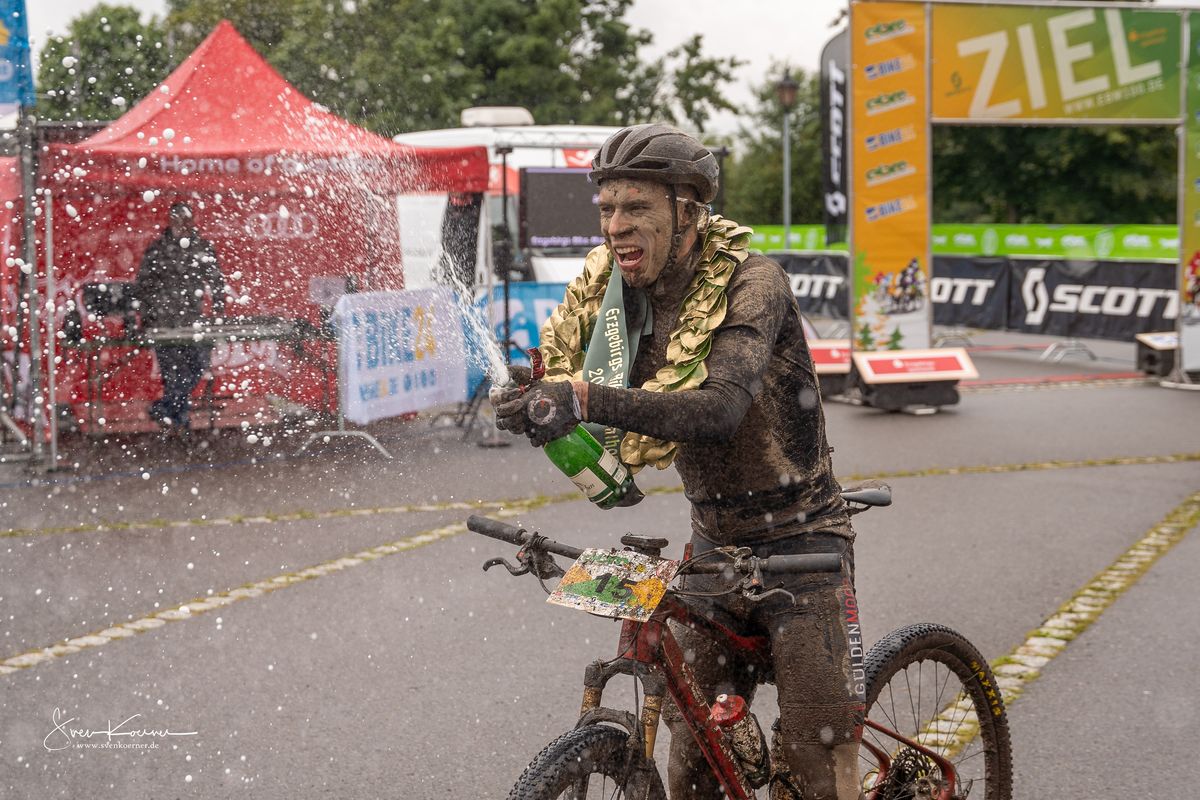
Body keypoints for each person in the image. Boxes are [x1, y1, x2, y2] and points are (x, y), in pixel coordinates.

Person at [492, 124, 862, 799]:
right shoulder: (616, 294)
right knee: (694, 767)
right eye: (607, 208)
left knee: (817, 766)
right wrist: (535, 399)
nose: (616, 226)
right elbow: (586, 387)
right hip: (715, 545)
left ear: (687, 211)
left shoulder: (754, 281)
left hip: (803, 543)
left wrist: (581, 397)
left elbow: (717, 410)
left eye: (637, 207)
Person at [132, 201, 228, 432]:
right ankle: (178, 418)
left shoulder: (200, 247)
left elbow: (216, 280)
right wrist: (146, 316)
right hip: (163, 321)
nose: (182, 224)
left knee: (196, 366)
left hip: (191, 319)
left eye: (185, 220)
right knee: (172, 372)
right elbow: (144, 285)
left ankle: (168, 409)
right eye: (177, 219)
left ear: (191, 221)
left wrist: (218, 308)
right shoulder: (158, 249)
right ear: (170, 220)